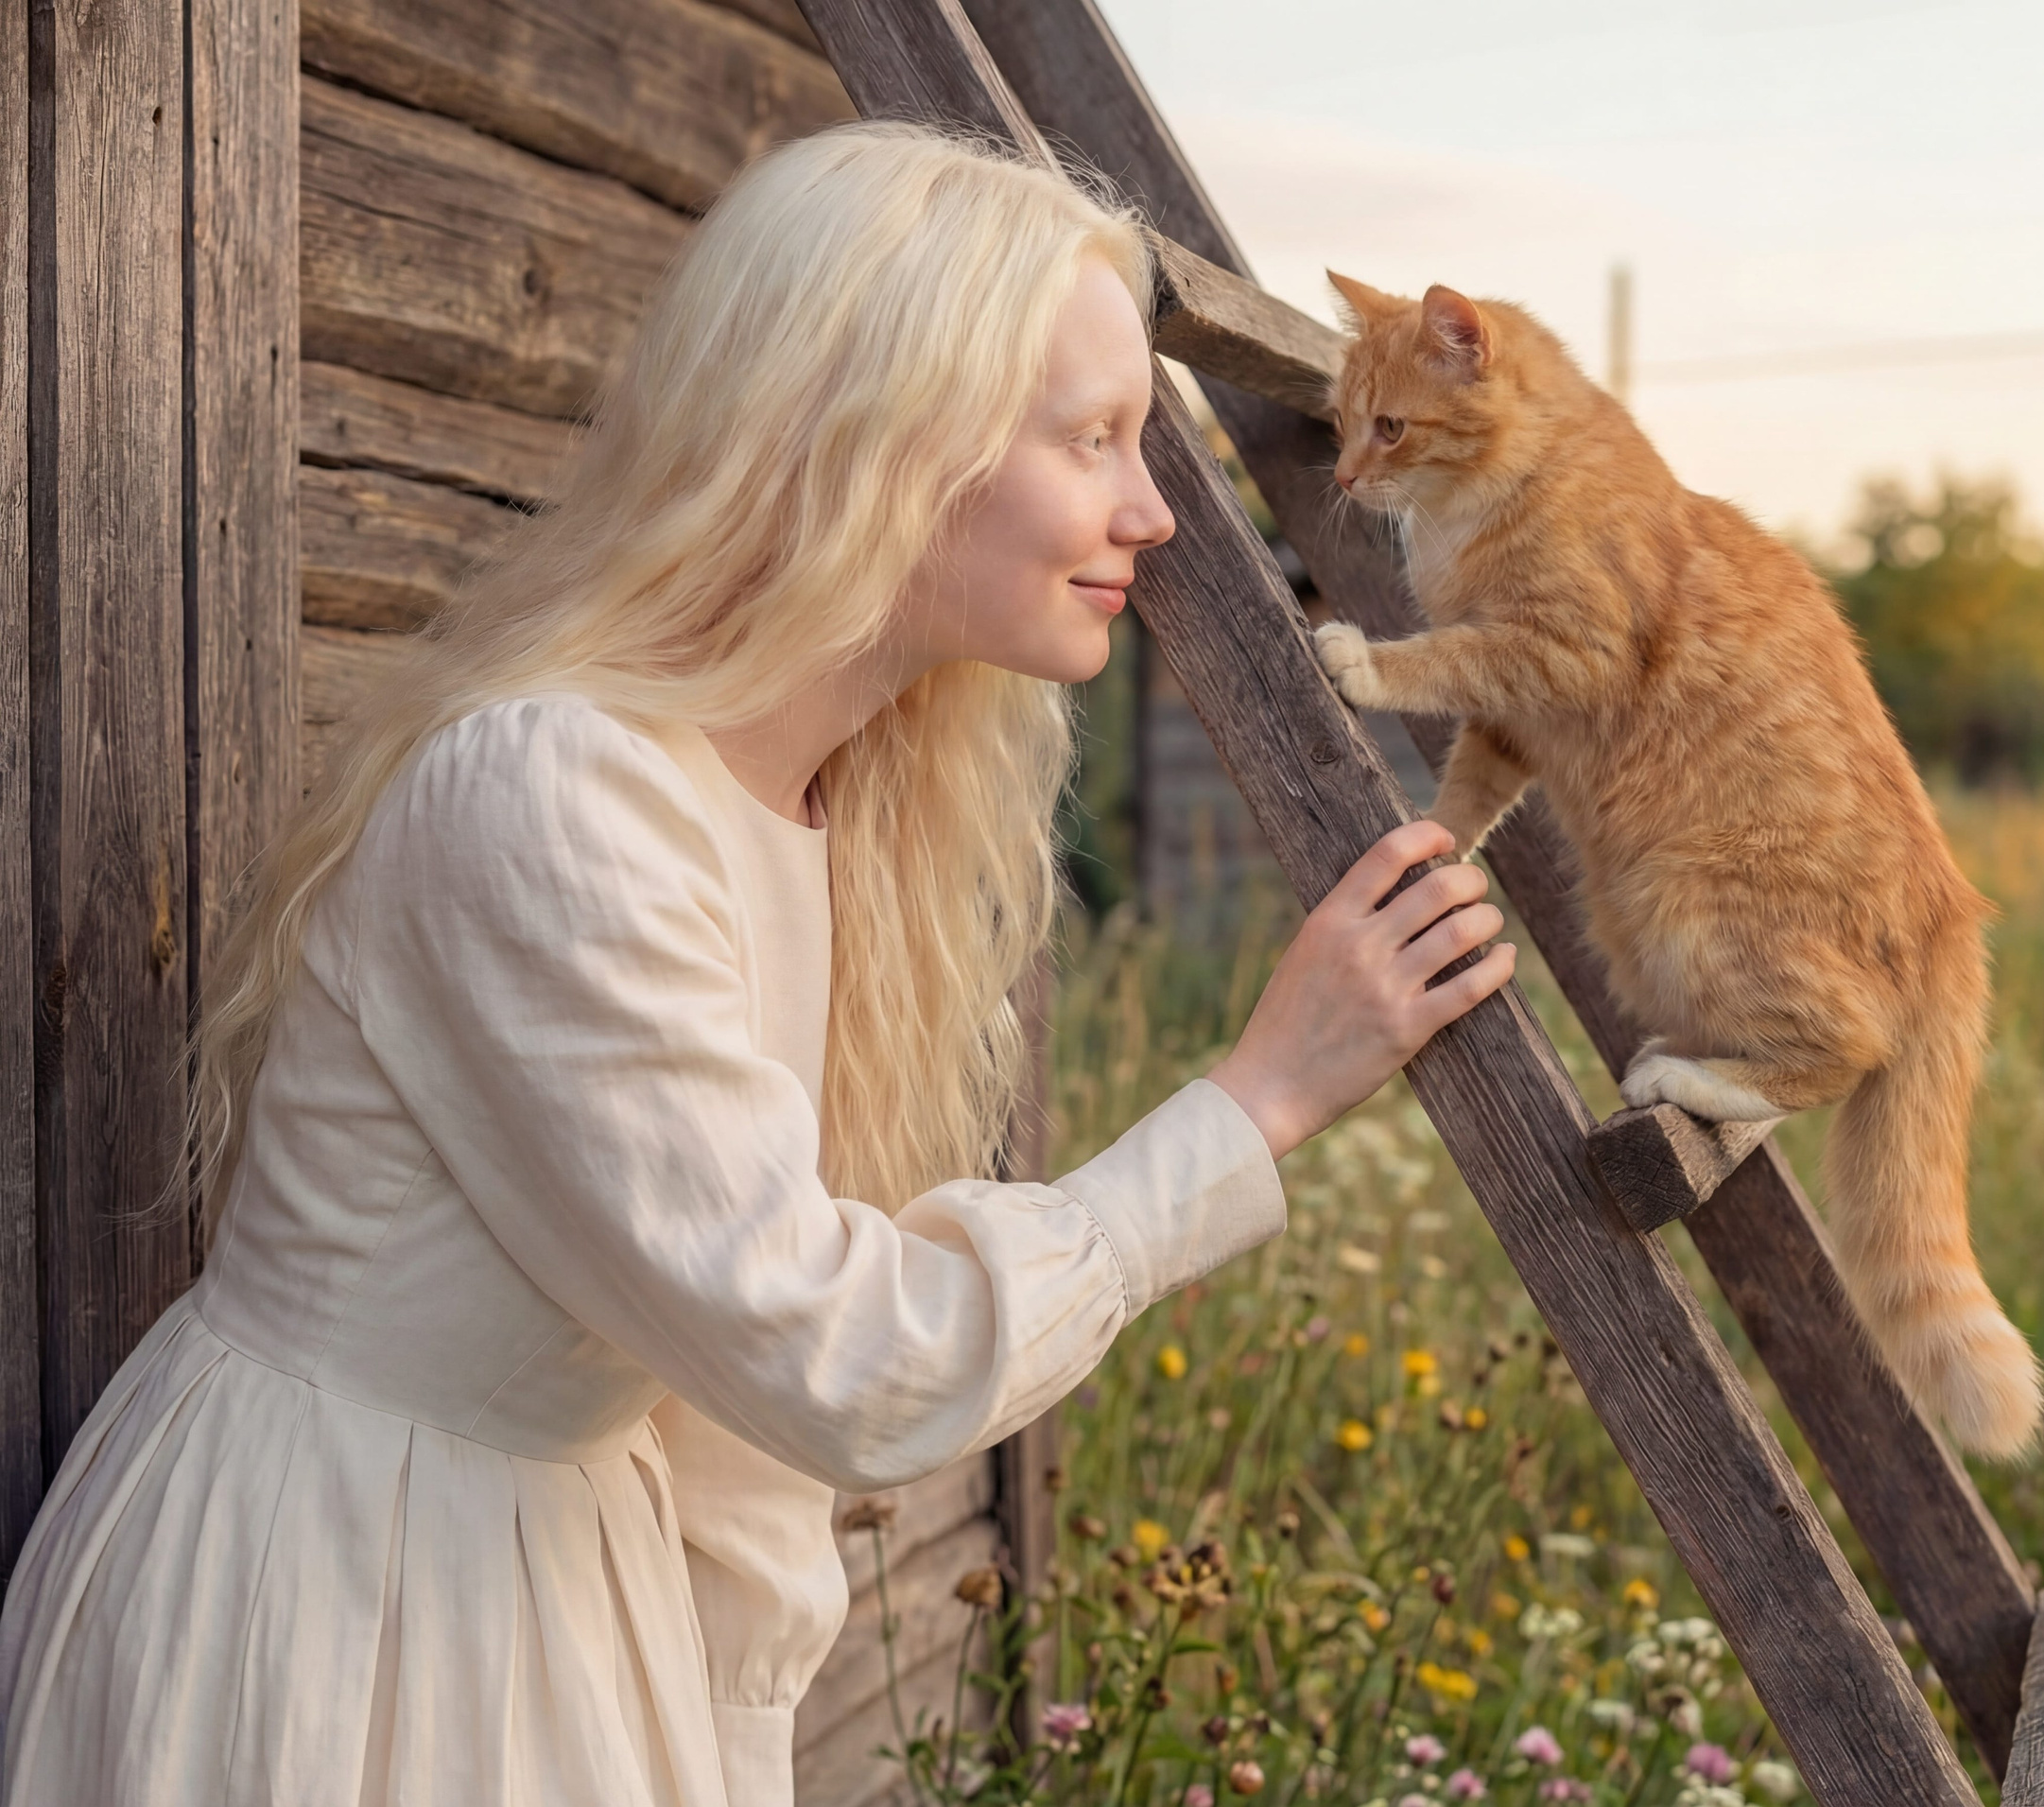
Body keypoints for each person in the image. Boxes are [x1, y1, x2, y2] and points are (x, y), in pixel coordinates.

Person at [0, 123, 1514, 1807]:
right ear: (874, 442)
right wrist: (1255, 1100)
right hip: (339, 1608)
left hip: (558, 1591)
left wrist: (727, 1748)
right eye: (1091, 437)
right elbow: (828, 1356)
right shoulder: (555, 797)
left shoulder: (823, 806)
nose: (1152, 509)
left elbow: (731, 1444)